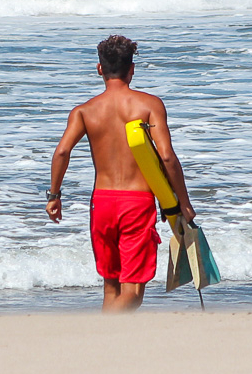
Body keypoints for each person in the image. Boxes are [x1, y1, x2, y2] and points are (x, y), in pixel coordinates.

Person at [47, 35, 196, 312]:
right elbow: (166, 157)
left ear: (99, 68)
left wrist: (54, 195)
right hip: (136, 203)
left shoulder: (84, 111)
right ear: (132, 69)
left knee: (111, 285)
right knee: (133, 291)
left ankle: (108, 348)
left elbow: (61, 153)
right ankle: (95, 336)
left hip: (101, 202)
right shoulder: (149, 105)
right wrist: (182, 202)